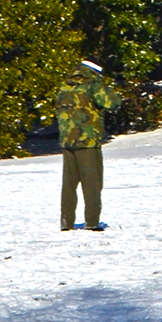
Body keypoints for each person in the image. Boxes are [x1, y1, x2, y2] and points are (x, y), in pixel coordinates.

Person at [55, 59, 119, 232]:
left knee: (69, 184)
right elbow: (112, 103)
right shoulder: (93, 84)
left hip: (67, 140)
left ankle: (66, 222)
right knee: (92, 183)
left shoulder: (65, 85)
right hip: (88, 140)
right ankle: (92, 222)